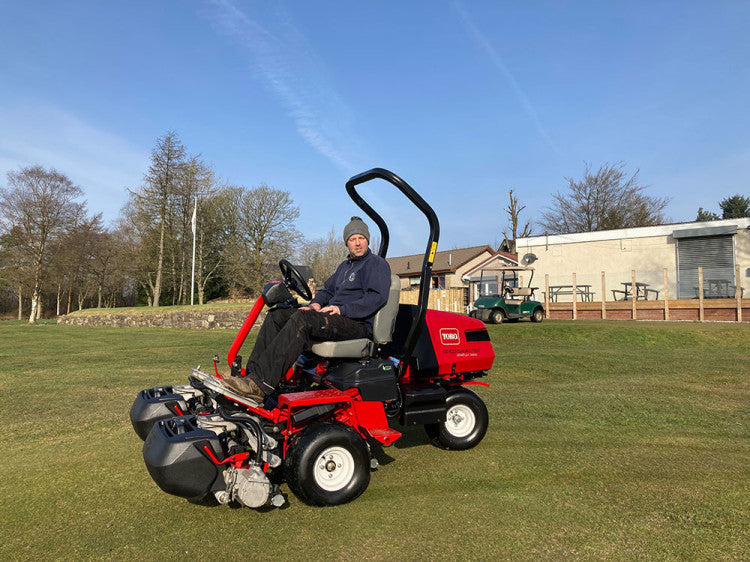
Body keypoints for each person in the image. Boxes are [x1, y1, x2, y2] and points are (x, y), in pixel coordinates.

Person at [221, 216, 392, 402]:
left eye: (361, 238)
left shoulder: (376, 264)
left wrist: (342, 309)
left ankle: (260, 386)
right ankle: (252, 376)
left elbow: (376, 298)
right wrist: (316, 304)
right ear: (347, 243)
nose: (357, 243)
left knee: (304, 321)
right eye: (352, 239)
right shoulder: (344, 266)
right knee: (279, 314)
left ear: (367, 239)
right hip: (335, 317)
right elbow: (327, 290)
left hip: (356, 323)